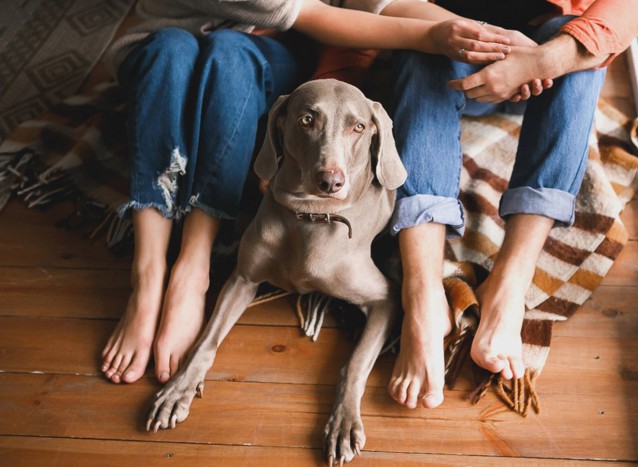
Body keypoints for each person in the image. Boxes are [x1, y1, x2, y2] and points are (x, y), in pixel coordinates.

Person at [99, 0, 518, 385]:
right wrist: (434, 33)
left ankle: (193, 268)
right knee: (170, 49)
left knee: (228, 49)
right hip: (166, 43)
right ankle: (148, 276)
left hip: (259, 49)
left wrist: (490, 40)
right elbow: (312, 14)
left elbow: (376, 3)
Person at [383, 0, 638, 410]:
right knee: (416, 49)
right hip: (448, 51)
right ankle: (421, 295)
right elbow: (376, 7)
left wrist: (541, 61)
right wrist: (480, 39)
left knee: (581, 38)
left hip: (547, 66)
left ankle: (509, 284)